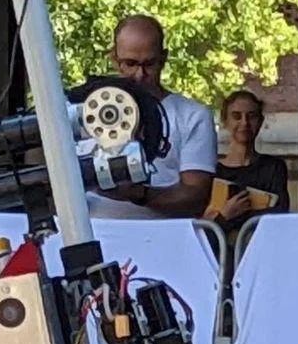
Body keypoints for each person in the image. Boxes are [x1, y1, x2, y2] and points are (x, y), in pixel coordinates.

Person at [87, 14, 216, 219]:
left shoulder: (193, 116)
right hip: (94, 232)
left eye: (150, 64)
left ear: (164, 59)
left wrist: (139, 194)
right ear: (114, 58)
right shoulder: (86, 111)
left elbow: (196, 197)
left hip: (161, 237)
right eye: (131, 63)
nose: (140, 74)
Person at [208, 90, 292, 224]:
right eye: (236, 116)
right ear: (225, 121)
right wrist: (225, 216)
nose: (244, 123)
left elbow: (279, 215)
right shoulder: (212, 172)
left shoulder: (273, 167)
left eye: (251, 116)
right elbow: (204, 227)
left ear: (260, 121)